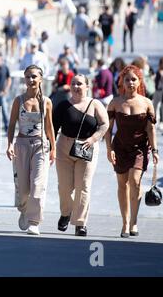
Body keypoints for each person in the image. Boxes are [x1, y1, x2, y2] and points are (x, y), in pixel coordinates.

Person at [105, 65, 159, 238]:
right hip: (120, 147)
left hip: (140, 149)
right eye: (127, 79)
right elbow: (108, 129)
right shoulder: (115, 102)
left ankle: (134, 221)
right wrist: (109, 149)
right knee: (122, 184)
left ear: (139, 81)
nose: (130, 82)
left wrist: (155, 150)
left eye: (134, 79)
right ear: (122, 81)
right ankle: (125, 222)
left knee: (135, 181)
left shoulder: (146, 103)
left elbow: (151, 130)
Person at [53, 74, 109, 236]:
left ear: (87, 86)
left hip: (87, 147)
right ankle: (66, 212)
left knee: (83, 187)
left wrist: (93, 139)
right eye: (73, 84)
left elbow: (105, 124)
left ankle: (80, 223)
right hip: (64, 148)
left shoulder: (95, 104)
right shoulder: (63, 105)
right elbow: (53, 127)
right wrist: (50, 147)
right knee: (64, 187)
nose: (76, 87)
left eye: (80, 84)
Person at [6, 65, 56, 235]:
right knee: (23, 187)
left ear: (40, 79)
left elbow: (49, 126)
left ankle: (34, 221)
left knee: (37, 185)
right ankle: (24, 209)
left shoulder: (46, 101)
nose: (31, 80)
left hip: (40, 145)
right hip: (21, 145)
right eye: (28, 77)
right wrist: (9, 144)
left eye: (34, 76)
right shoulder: (18, 100)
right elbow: (12, 124)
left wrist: (53, 148)